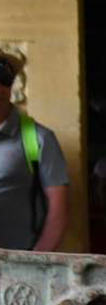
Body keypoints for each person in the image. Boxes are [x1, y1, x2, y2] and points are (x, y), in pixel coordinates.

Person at [0, 49, 71, 251]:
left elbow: (59, 211)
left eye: (4, 77)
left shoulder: (39, 138)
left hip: (16, 271)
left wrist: (34, 265)